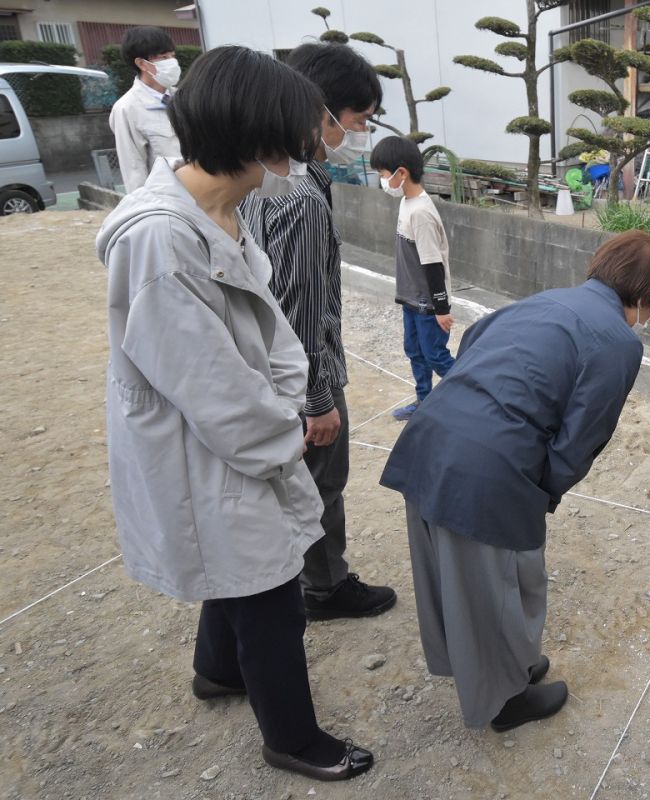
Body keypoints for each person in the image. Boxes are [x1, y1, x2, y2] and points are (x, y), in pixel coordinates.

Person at [99, 45, 372, 780]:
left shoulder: (219, 212)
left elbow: (275, 335)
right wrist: (287, 434)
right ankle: (292, 738)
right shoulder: (161, 238)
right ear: (258, 132)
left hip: (239, 433)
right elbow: (211, 389)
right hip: (214, 445)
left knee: (241, 567)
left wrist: (284, 396)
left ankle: (217, 670)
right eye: (296, 127)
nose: (307, 142)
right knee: (270, 592)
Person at [380, 231, 650, 732]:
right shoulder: (618, 340)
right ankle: (504, 700)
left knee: (455, 577)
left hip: (431, 436)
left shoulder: (542, 301)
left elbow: (473, 342)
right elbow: (580, 438)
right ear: (648, 296)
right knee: (495, 585)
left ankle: (508, 666)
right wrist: (541, 491)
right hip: (489, 466)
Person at [241, 42, 395, 621]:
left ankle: (314, 580)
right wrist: (319, 399)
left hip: (269, 374)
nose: (355, 133)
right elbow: (299, 308)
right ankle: (325, 587)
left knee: (295, 485)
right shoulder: (300, 197)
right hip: (305, 379)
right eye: (355, 120)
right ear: (321, 110)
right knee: (320, 484)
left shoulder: (265, 177)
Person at [369, 136, 455, 421]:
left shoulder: (420, 212)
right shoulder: (408, 202)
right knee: (415, 352)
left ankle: (472, 396)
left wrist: (441, 309)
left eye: (383, 175)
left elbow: (432, 264)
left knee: (436, 356)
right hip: (411, 298)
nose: (382, 181)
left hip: (428, 303)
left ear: (401, 173)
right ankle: (424, 402)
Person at [108, 26, 182, 192]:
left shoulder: (184, 98)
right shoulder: (127, 109)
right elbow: (133, 170)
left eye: (173, 56)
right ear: (142, 63)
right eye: (164, 57)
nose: (172, 62)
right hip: (167, 201)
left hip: (203, 197)